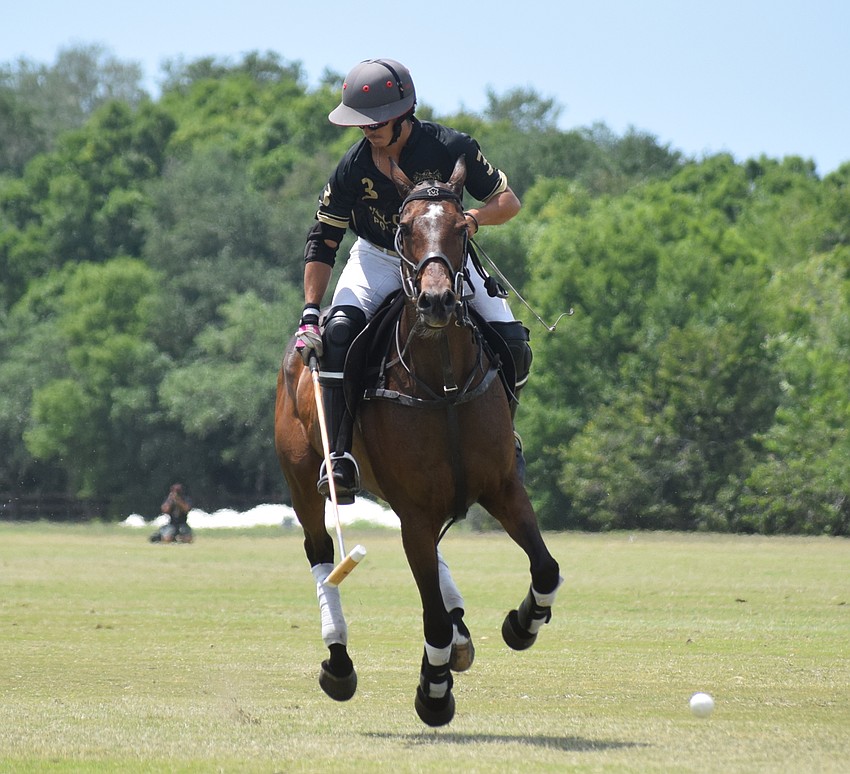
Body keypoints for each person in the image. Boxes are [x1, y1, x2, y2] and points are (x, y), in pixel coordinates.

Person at [294, 58, 532, 504]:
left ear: (403, 114)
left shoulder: (450, 146)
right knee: (340, 332)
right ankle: (340, 456)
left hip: (442, 257)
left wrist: (470, 221)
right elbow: (324, 238)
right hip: (378, 258)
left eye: (374, 122)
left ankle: (505, 437)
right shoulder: (353, 167)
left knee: (512, 339)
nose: (366, 130)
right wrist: (311, 310)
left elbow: (508, 201)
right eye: (359, 124)